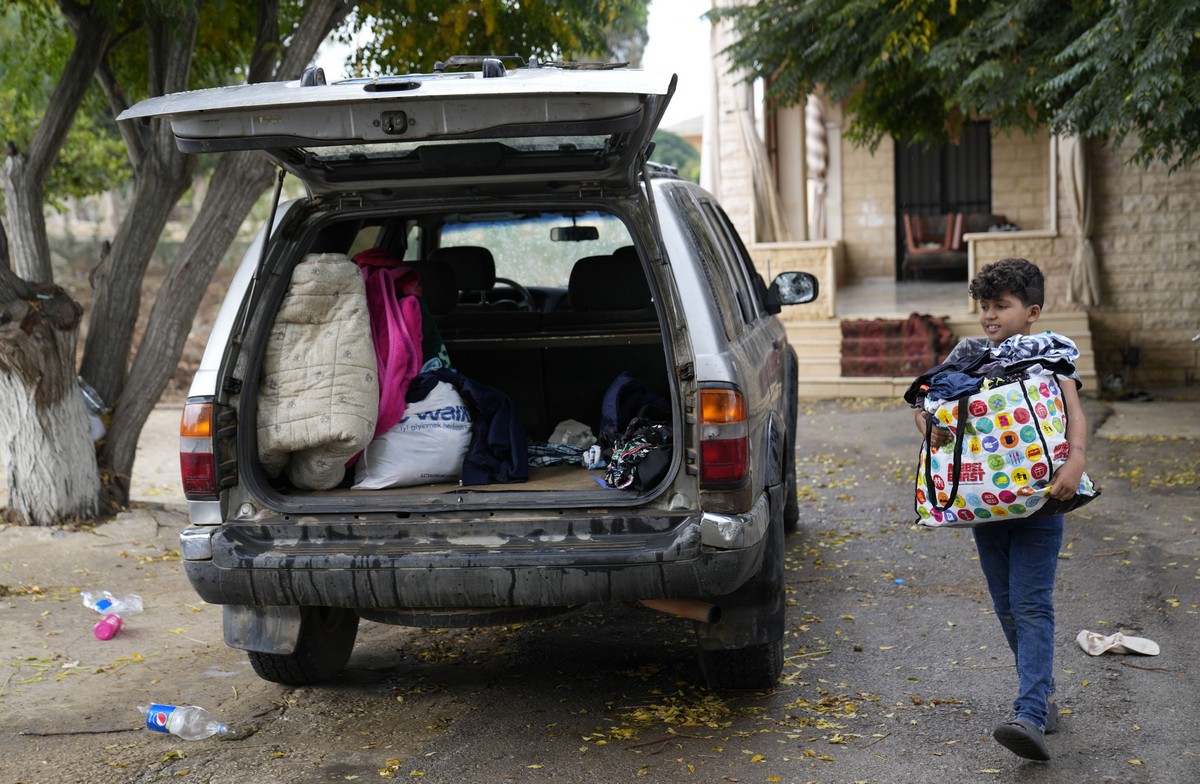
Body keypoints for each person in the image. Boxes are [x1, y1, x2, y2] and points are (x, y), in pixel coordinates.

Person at [910, 258, 1087, 762]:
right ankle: (1044, 695)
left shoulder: (1050, 357)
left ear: (1031, 311)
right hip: (984, 507)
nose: (989, 315)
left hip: (1039, 502)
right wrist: (931, 426)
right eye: (984, 306)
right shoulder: (968, 360)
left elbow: (1074, 415)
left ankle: (1028, 713)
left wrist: (1074, 462)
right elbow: (932, 418)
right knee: (1007, 605)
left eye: (1001, 306)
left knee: (1031, 604)